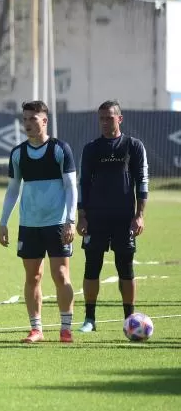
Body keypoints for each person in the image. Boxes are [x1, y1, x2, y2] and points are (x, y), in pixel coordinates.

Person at [0, 100, 78, 343]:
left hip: (56, 223)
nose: (28, 124)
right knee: (32, 277)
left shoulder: (60, 149)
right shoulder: (18, 153)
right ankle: (36, 330)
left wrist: (70, 220)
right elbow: (12, 190)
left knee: (61, 274)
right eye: (25, 119)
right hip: (29, 225)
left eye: (33, 119)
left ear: (45, 121)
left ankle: (65, 329)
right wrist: (3, 222)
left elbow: (71, 187)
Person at [76, 100, 149, 333]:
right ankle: (89, 319)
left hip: (124, 218)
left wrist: (139, 215)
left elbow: (142, 182)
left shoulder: (133, 146)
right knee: (91, 266)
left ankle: (130, 318)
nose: (105, 122)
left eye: (109, 117)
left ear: (120, 118)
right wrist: (82, 216)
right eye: (101, 118)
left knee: (125, 267)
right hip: (96, 218)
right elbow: (83, 183)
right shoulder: (91, 148)